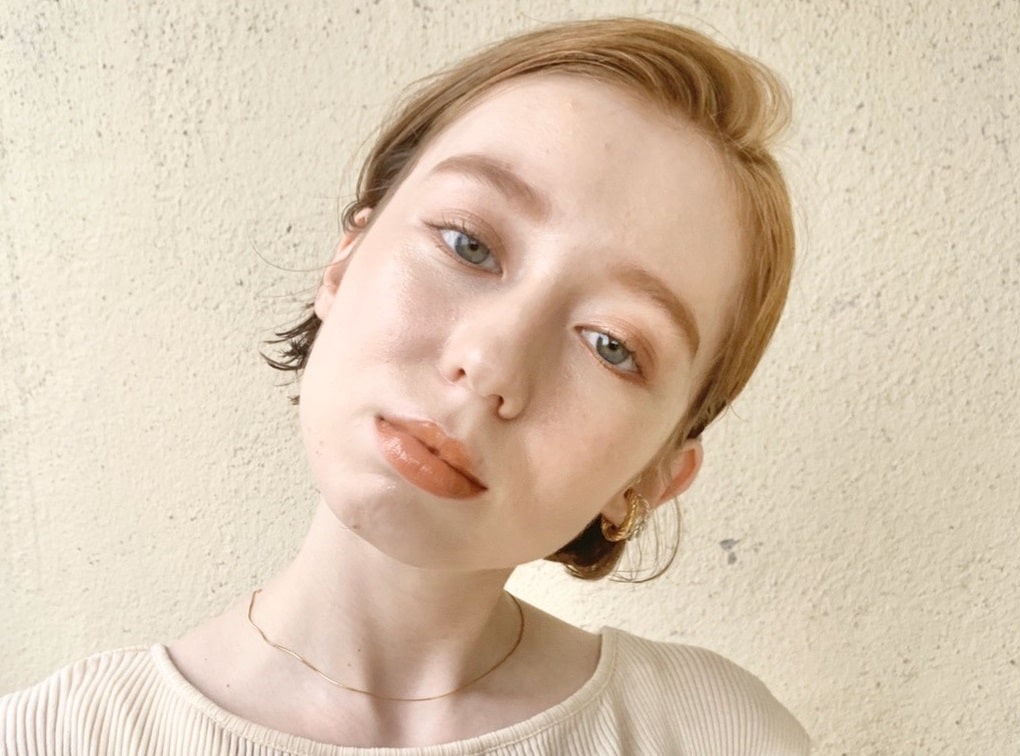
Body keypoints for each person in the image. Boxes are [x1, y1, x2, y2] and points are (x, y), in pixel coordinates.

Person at [0, 17, 808, 755]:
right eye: (468, 244)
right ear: (345, 261)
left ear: (654, 478)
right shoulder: (56, 738)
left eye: (612, 345)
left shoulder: (715, 736)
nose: (490, 365)